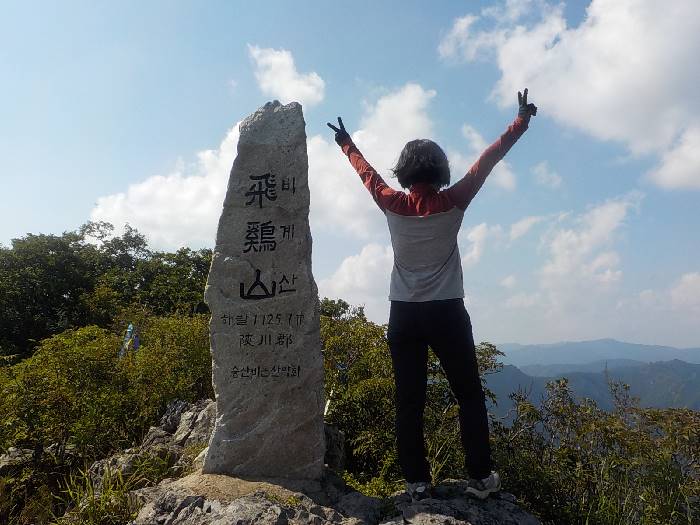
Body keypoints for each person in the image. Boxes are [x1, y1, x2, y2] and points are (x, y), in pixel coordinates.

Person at [327, 89, 537, 501]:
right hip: (446, 312)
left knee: (409, 401)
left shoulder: (391, 203)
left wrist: (346, 143)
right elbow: (488, 160)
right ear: (440, 169)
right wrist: (520, 122)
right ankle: (479, 478)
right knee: (469, 396)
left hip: (403, 315)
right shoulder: (454, 201)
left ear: (404, 172)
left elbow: (367, 174)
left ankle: (417, 482)